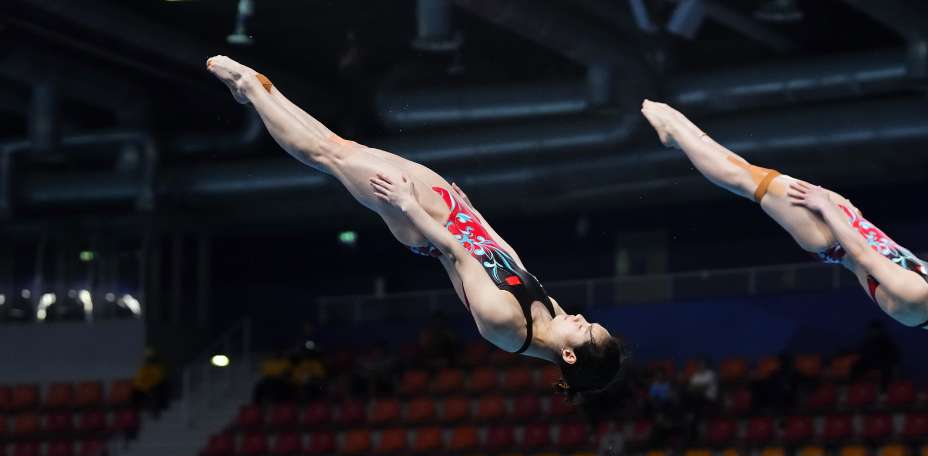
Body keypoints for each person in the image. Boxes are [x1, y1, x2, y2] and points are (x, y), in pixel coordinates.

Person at [207, 57, 624, 401]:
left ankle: (251, 88)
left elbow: (458, 255)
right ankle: (261, 93)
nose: (582, 316)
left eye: (585, 328)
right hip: (454, 216)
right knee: (346, 148)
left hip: (424, 227)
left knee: (329, 157)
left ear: (569, 355)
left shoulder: (507, 327)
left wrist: (406, 204)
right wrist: (473, 211)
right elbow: (507, 257)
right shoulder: (551, 314)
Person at [639, 100, 928, 351]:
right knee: (747, 174)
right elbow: (889, 251)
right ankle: (678, 129)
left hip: (832, 237)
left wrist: (828, 208)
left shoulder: (919, 302)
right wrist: (855, 217)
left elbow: (862, 255)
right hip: (845, 228)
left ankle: (676, 132)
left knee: (744, 179)